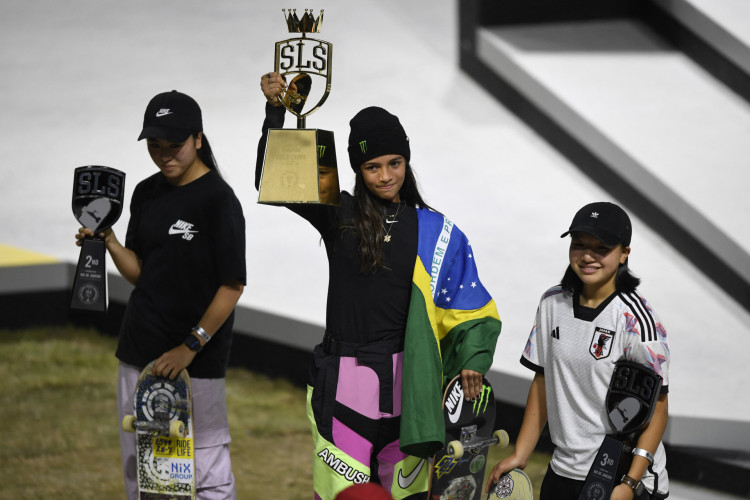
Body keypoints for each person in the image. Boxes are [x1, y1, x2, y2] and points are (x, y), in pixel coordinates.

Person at [256, 72, 502, 500]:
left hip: (411, 386)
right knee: (346, 496)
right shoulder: (339, 213)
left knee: (403, 495)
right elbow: (274, 178)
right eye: (372, 166)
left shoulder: (434, 229)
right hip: (343, 380)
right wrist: (276, 111)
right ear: (357, 169)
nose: (386, 175)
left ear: (407, 163)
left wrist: (474, 358)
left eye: (395, 163)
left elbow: (470, 304)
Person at [76, 90, 246, 499]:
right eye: (155, 145)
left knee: (206, 476)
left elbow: (232, 285)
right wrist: (111, 243)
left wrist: (190, 347)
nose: (165, 154)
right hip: (139, 353)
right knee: (145, 472)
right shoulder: (146, 192)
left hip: (195, 366)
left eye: (175, 145)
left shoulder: (219, 201)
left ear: (198, 139)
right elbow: (143, 273)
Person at [485, 202, 670, 500]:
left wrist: (630, 484)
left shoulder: (637, 321)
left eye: (601, 248)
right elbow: (543, 382)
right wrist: (521, 453)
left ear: (624, 253)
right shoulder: (551, 304)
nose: (587, 256)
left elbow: (658, 408)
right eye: (579, 244)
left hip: (621, 478)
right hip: (563, 470)